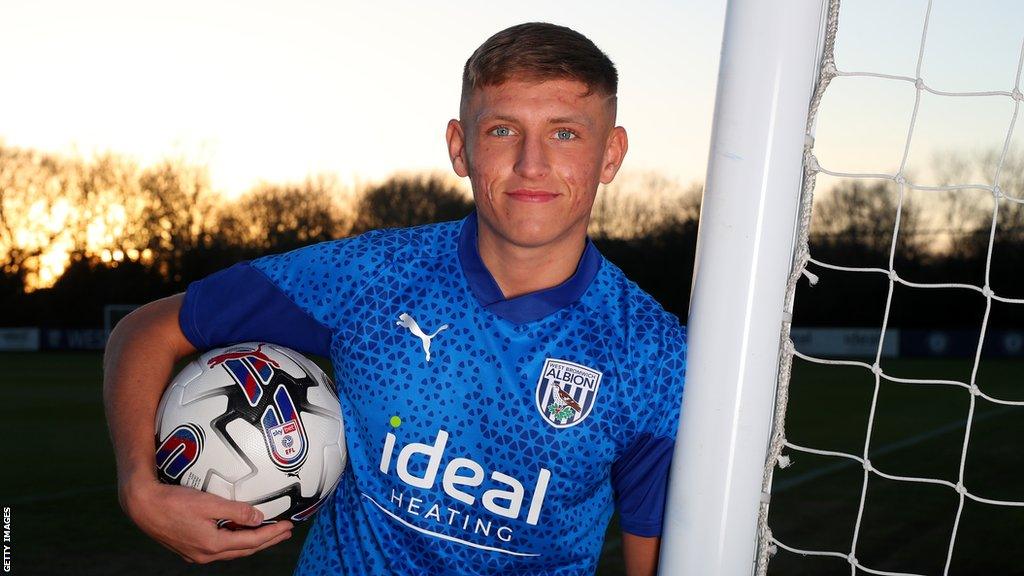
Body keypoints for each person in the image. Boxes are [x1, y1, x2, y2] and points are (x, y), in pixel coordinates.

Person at [104, 22, 686, 576]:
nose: (531, 163)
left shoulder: (654, 355)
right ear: (460, 148)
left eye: (565, 133)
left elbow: (654, 553)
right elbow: (147, 331)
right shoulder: (369, 275)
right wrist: (138, 486)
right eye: (502, 130)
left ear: (610, 154)